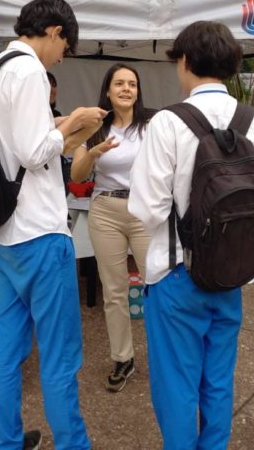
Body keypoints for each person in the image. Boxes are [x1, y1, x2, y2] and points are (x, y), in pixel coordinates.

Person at [128, 21, 254, 449]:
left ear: (186, 62)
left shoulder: (168, 123)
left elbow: (147, 207)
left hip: (176, 274)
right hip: (232, 272)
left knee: (176, 384)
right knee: (218, 379)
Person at [0, 0, 106, 450]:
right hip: (39, 231)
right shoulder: (30, 69)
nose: (62, 56)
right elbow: (34, 153)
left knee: (8, 345)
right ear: (54, 31)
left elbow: (10, 142)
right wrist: (74, 123)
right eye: (65, 47)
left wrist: (58, 124)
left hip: (3, 233)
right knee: (59, 354)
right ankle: (73, 444)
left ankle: (8, 441)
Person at [70, 63, 154, 392]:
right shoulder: (95, 126)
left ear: (137, 90)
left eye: (131, 84)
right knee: (114, 291)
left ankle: (166, 356)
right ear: (107, 89)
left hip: (145, 209)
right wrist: (93, 152)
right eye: (118, 83)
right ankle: (123, 358)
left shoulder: (151, 123)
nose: (125, 89)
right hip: (106, 209)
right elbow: (77, 175)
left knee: (157, 286)